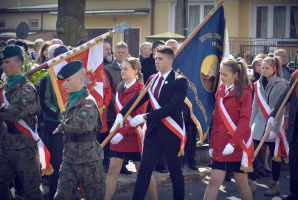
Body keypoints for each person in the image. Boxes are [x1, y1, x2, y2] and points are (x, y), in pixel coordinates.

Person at [112, 46, 187, 200]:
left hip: (171, 133)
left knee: (175, 172)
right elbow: (138, 98)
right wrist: (121, 113)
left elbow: (172, 107)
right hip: (153, 134)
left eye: (160, 58)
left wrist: (146, 117)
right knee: (145, 170)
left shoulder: (180, 81)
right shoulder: (152, 79)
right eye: (155, 58)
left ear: (170, 61)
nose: (156, 61)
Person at [105, 57, 158, 200]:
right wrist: (116, 129)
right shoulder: (120, 87)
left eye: (125, 68)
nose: (122, 71)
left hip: (134, 136)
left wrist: (122, 133)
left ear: (135, 71)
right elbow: (119, 114)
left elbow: (139, 118)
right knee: (112, 170)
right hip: (119, 136)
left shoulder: (142, 89)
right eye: (121, 68)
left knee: (144, 171)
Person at [53, 60, 105, 199]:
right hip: (70, 157)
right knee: (62, 195)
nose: (64, 84)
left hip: (88, 158)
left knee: (94, 196)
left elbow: (82, 125)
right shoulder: (70, 102)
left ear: (81, 79)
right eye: (63, 81)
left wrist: (62, 126)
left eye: (67, 80)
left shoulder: (88, 102)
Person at [204, 58, 253, 200]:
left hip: (237, 145)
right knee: (213, 181)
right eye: (221, 74)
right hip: (221, 144)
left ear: (236, 74)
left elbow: (245, 121)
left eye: (225, 75)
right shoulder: (221, 91)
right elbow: (217, 120)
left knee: (241, 183)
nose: (222, 77)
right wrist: (212, 144)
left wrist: (233, 143)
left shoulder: (245, 92)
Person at [0, 45, 43, 199]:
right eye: (2, 62)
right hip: (5, 148)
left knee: (32, 192)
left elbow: (13, 114)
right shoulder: (4, 88)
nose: (3, 66)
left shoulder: (27, 89)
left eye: (7, 62)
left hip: (25, 149)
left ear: (19, 63)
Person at [248, 56, 288, 195]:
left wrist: (275, 129)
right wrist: (250, 125)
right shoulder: (257, 84)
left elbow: (281, 109)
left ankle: (275, 185)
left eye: (267, 68)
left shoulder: (281, 84)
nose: (263, 71)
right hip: (259, 125)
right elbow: (255, 108)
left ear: (274, 68)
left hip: (273, 126)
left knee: (275, 157)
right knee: (252, 154)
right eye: (262, 68)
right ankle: (251, 184)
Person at [39, 45, 68, 200]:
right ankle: (53, 196)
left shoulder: (71, 74)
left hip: (70, 124)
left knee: (69, 163)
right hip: (55, 125)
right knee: (57, 164)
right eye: (61, 56)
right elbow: (44, 101)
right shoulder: (46, 76)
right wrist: (60, 115)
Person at [268, 70, 298, 200]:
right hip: (296, 127)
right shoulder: (296, 75)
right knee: (295, 161)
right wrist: (273, 114)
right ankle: (295, 192)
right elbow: (286, 95)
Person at [104, 41, 132, 174]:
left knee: (125, 138)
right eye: (118, 53)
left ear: (127, 54)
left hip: (129, 110)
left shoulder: (132, 67)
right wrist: (119, 108)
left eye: (123, 53)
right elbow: (108, 91)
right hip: (113, 111)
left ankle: (124, 165)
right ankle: (112, 165)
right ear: (114, 54)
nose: (121, 55)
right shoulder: (107, 69)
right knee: (114, 139)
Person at [140, 40, 168, 173]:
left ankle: (161, 164)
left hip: (163, 107)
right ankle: (149, 163)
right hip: (149, 104)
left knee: (162, 134)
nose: (158, 60)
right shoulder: (145, 63)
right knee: (150, 135)